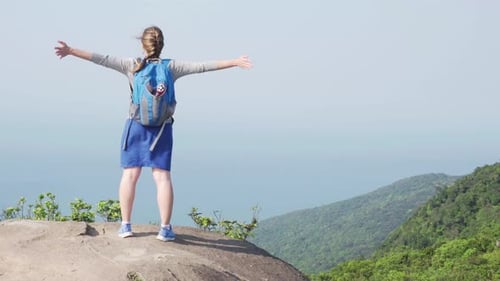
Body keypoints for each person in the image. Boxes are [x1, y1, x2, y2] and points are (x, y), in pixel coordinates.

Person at [54, 25, 252, 241]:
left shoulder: (132, 65)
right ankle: (165, 229)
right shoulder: (172, 67)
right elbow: (202, 66)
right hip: (162, 129)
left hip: (135, 126)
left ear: (143, 44)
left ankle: (126, 226)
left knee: (130, 175)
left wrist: (71, 50)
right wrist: (234, 62)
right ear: (162, 45)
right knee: (162, 177)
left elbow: (101, 59)